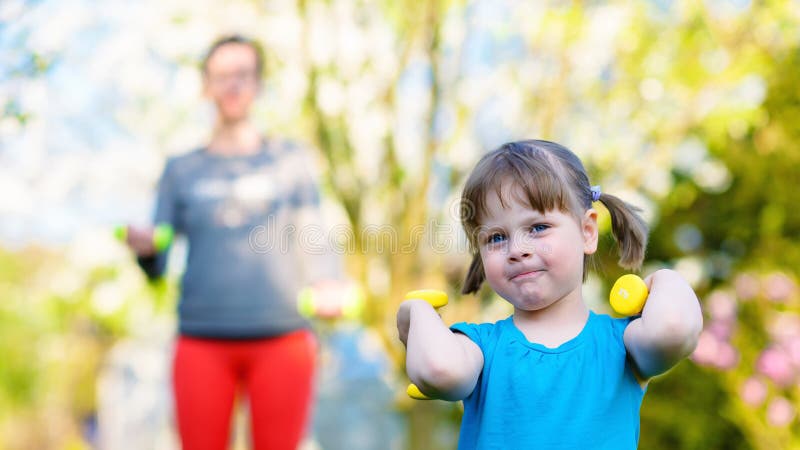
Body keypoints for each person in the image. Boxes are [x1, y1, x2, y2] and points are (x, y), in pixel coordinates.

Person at [396, 140, 703, 449]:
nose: (517, 250)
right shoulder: (481, 347)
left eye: (538, 227)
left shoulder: (620, 345)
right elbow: (438, 370)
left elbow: (675, 329)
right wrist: (416, 312)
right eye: (496, 237)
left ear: (587, 232)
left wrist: (661, 279)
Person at [124, 35, 341, 450]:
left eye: (243, 75)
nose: (233, 85)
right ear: (206, 87)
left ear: (258, 84)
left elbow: (314, 234)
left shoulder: (290, 161)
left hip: (283, 338)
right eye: (222, 76)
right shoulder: (181, 169)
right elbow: (158, 262)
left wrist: (327, 281)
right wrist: (147, 251)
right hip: (200, 340)